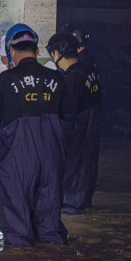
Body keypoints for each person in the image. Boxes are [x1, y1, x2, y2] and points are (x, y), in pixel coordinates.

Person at [0, 24, 74, 247]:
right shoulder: (57, 78)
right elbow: (70, 115)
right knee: (50, 219)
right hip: (51, 155)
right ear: (37, 52)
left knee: (16, 218)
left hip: (18, 157)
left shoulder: (6, 80)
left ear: (12, 52)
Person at [46, 33, 102, 214]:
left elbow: (67, 116)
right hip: (91, 134)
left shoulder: (72, 80)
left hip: (78, 136)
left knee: (72, 176)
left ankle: (72, 211)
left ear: (56, 53)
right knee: (85, 170)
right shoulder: (90, 71)